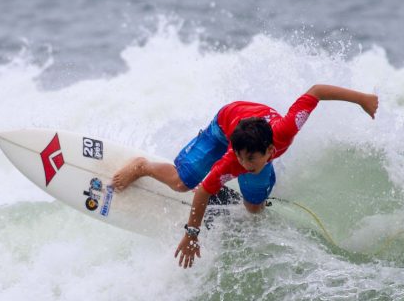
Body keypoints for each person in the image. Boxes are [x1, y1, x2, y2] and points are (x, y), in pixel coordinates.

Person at [112, 84, 379, 268]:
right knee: (184, 183)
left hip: (253, 128)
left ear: (270, 151)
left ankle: (234, 192)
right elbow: (204, 190)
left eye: (250, 159)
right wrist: (192, 234)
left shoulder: (286, 129)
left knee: (254, 207)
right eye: (240, 158)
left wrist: (362, 100)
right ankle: (142, 166)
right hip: (225, 123)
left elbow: (317, 91)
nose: (243, 164)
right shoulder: (233, 160)